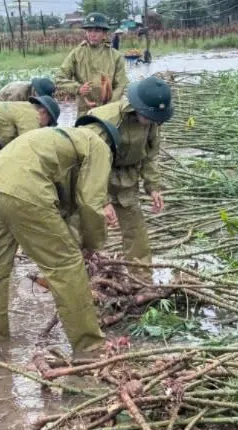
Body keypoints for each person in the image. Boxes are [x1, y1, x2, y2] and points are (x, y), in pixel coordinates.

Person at [0, 121, 118, 356]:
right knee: (66, 265)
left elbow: (65, 207)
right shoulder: (100, 146)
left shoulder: (59, 138)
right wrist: (93, 244)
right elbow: (91, 204)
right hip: (24, 191)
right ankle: (90, 347)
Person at [77, 75, 173, 278]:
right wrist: (102, 201)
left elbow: (149, 156)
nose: (152, 123)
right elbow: (88, 165)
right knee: (91, 230)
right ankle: (83, 276)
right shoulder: (104, 121)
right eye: (149, 117)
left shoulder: (153, 122)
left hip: (125, 179)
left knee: (135, 230)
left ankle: (141, 280)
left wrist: (153, 187)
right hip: (93, 177)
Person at [55, 12, 128, 117]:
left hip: (109, 111)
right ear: (86, 32)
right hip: (85, 111)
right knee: (85, 133)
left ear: (104, 33)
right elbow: (59, 78)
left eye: (97, 31)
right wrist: (78, 88)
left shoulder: (115, 56)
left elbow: (121, 84)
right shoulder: (76, 54)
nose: (92, 34)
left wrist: (109, 103)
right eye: (89, 30)